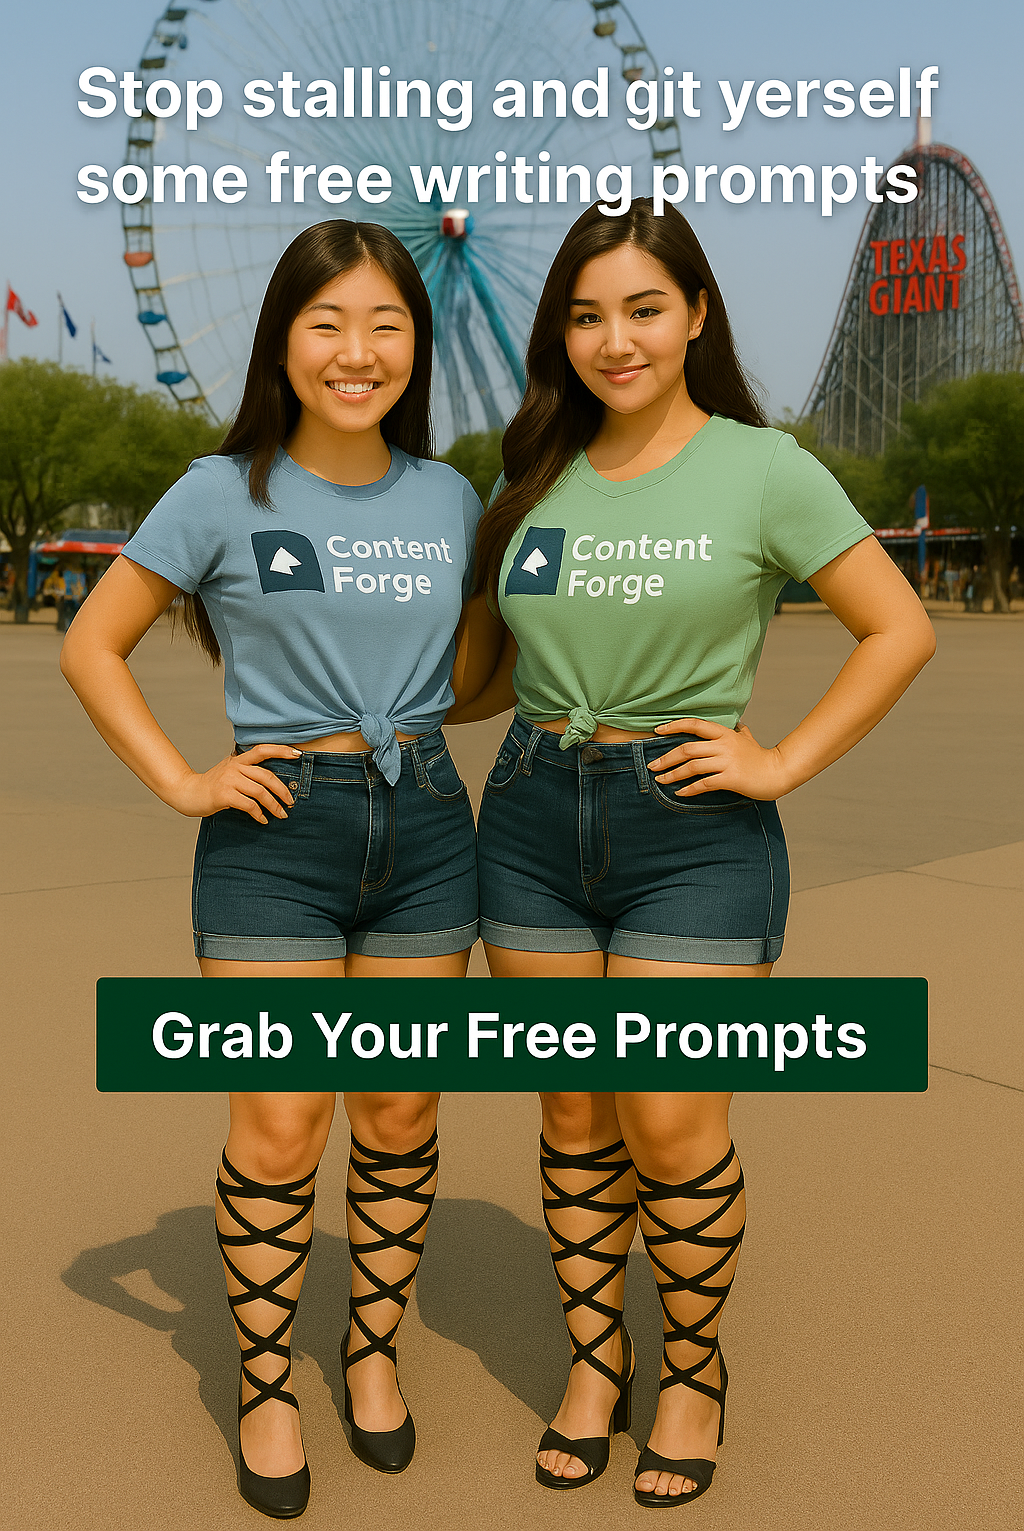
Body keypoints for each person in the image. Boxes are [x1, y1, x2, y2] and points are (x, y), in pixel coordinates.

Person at [464, 200, 936, 1508]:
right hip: (532, 816)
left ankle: (691, 1370)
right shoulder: (532, 480)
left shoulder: (763, 469)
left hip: (695, 831)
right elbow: (481, 683)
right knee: (574, 1113)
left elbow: (897, 628)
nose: (615, 339)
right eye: (586, 315)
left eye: (643, 309)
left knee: (669, 1122)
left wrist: (778, 761)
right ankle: (595, 1364)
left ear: (696, 316)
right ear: (559, 334)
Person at [60, 220, 497, 1520]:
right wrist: (185, 781)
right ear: (283, 342)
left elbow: (476, 673)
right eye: (327, 324)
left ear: (416, 347)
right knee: (279, 1120)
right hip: (272, 839)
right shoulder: (218, 491)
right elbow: (93, 644)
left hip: (427, 824)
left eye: (385, 326)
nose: (357, 352)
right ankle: (264, 1383)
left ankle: (371, 1353)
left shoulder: (451, 499)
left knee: (400, 1113)